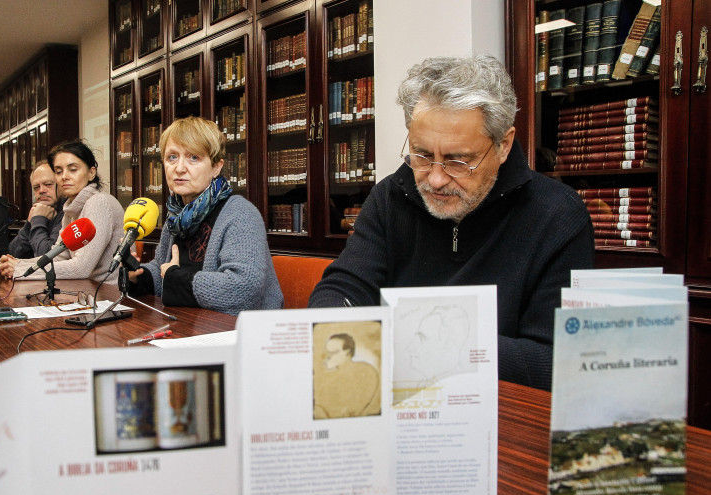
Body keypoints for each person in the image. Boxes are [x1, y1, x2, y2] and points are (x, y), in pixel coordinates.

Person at [308, 55, 594, 391]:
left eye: (459, 161)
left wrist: (438, 349)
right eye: (422, 155)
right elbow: (342, 289)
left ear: (503, 145)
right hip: (398, 400)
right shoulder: (390, 198)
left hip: (506, 411)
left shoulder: (557, 216)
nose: (436, 178)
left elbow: (554, 360)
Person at [126, 116, 283, 315]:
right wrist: (138, 276)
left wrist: (177, 278)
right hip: (192, 326)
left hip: (241, 333)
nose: (179, 168)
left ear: (216, 167)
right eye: (172, 157)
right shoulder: (176, 216)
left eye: (194, 157)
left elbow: (244, 288)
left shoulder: (241, 214)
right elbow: (162, 270)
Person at [0, 140, 124, 281]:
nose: (64, 176)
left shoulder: (99, 202)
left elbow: (82, 268)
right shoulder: (71, 207)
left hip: (106, 294)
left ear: (91, 173)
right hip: (84, 290)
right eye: (59, 171)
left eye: (73, 169)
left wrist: (20, 270)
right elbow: (58, 256)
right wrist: (18, 263)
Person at [7, 161, 66, 259]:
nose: (41, 190)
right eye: (36, 187)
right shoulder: (40, 210)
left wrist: (38, 219)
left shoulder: (68, 213)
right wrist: (29, 224)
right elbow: (13, 252)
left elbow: (46, 258)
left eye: (48, 184)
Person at [314, 333, 380, 419]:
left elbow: (350, 411)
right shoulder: (332, 377)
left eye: (334, 352)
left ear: (347, 353)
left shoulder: (364, 371)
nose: (328, 357)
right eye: (328, 352)